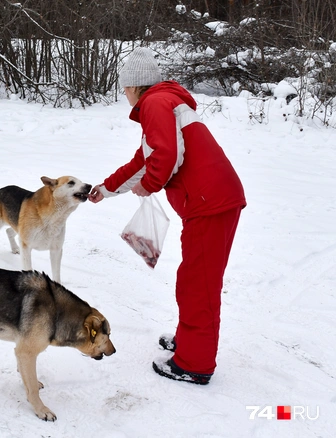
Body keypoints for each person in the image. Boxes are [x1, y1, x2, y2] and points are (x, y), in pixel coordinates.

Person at [88, 47, 246, 385]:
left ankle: (195, 363)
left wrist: (149, 185)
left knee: (198, 285)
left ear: (135, 85)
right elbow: (143, 161)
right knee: (194, 279)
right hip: (211, 201)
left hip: (210, 203)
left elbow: (166, 156)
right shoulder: (164, 103)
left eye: (124, 86)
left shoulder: (155, 103)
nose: (123, 93)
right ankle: (190, 342)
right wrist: (107, 188)